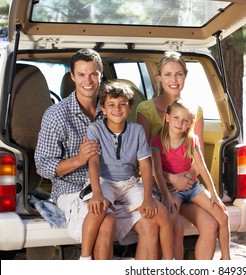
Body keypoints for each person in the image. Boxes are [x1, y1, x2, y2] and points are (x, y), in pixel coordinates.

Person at [34, 49, 158, 260]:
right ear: (72, 77)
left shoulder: (114, 109)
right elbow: (43, 166)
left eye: (93, 74)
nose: (88, 80)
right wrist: (79, 160)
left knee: (150, 222)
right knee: (106, 219)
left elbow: (135, 154)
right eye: (81, 74)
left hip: (117, 185)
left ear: (101, 74)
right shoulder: (56, 115)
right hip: (72, 188)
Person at [136, 51, 219, 259]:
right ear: (159, 77)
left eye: (179, 74)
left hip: (187, 187)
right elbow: (143, 158)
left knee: (210, 225)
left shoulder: (195, 110)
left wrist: (187, 180)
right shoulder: (145, 109)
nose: (174, 80)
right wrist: (171, 179)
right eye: (168, 74)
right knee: (176, 227)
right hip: (158, 185)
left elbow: (196, 154)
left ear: (186, 75)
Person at [82, 80, 174, 260]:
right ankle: (84, 258)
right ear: (103, 109)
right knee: (98, 208)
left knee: (162, 214)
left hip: (129, 183)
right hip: (104, 180)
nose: (117, 109)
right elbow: (93, 163)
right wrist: (97, 193)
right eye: (111, 105)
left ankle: (169, 261)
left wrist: (148, 198)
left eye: (122, 104)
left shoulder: (137, 130)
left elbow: (146, 166)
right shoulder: (95, 129)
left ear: (130, 107)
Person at [151, 98, 231, 260]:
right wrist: (166, 196)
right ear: (167, 117)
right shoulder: (157, 141)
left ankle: (226, 258)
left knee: (223, 215)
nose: (180, 123)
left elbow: (202, 167)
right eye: (176, 118)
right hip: (172, 191)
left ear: (189, 123)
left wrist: (214, 195)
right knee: (171, 223)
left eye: (185, 120)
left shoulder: (191, 140)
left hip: (193, 188)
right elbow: (157, 172)